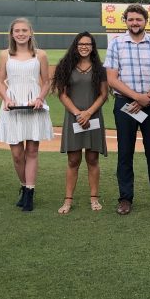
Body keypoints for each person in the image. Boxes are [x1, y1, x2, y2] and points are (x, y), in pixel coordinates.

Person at [104, 4, 150, 215]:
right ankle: (125, 198)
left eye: (138, 19)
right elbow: (112, 79)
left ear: (145, 21)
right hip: (125, 104)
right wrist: (137, 97)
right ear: (126, 21)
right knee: (125, 151)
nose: (135, 23)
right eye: (131, 19)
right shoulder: (116, 43)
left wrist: (148, 97)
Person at [0, 17, 53, 211]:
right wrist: (6, 98)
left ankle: (29, 192)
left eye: (24, 30)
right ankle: (23, 185)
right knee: (17, 154)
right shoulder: (4, 55)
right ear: (12, 34)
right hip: (11, 106)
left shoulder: (41, 55)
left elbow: (46, 82)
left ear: (30, 33)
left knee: (32, 151)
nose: (21, 34)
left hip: (34, 105)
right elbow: (0, 81)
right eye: (17, 31)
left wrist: (40, 98)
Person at [51, 32, 109, 214]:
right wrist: (78, 114)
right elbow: (62, 94)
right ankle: (68, 200)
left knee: (92, 159)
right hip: (73, 117)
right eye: (81, 44)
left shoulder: (100, 69)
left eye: (88, 44)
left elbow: (103, 95)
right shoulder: (65, 66)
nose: (84, 47)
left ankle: (94, 198)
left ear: (93, 47)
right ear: (76, 46)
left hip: (93, 117)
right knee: (73, 160)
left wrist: (88, 113)